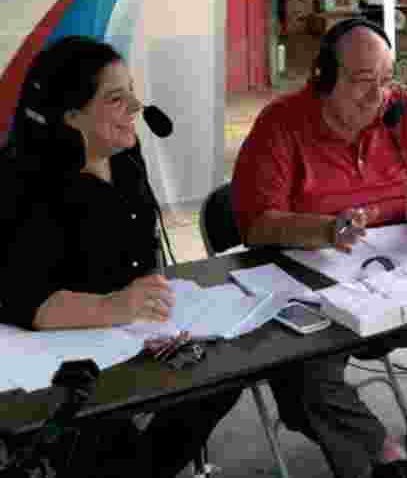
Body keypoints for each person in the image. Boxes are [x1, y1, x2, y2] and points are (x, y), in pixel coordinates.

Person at [232, 18, 407, 478]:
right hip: (319, 281)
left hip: (404, 268)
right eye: (363, 82)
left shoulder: (404, 111)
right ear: (323, 79)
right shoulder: (282, 124)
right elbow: (256, 225)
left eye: (386, 80)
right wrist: (325, 230)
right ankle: (376, 447)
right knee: (302, 370)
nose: (378, 96)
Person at [0, 35, 242, 478]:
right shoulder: (21, 183)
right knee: (99, 442)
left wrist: (150, 302)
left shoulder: (126, 156)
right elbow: (23, 298)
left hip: (132, 335)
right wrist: (112, 307)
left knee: (221, 378)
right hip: (58, 357)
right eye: (116, 98)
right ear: (69, 117)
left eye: (131, 89)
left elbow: (140, 253)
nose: (135, 105)